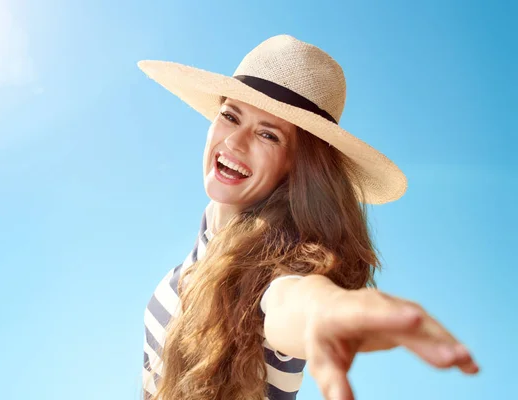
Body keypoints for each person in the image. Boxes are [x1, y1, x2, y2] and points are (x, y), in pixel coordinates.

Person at [137, 35, 479, 400]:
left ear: (296, 167)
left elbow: (291, 299)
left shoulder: (274, 272)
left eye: (268, 135)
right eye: (230, 116)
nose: (235, 143)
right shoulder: (179, 275)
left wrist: (326, 311)